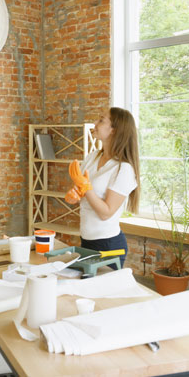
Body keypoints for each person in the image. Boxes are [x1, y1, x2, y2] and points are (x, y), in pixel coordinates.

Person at [65, 107, 140, 268]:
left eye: (101, 120)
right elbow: (84, 192)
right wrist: (75, 194)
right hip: (86, 239)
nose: (95, 123)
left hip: (108, 245)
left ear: (115, 130)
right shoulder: (93, 157)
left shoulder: (123, 168)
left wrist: (86, 188)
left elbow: (106, 213)